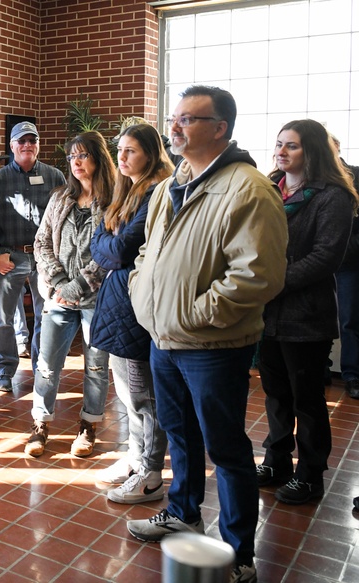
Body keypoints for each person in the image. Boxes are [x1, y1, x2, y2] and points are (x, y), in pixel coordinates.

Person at [126, 85, 288, 583]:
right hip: (163, 339)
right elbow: (146, 254)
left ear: (220, 128)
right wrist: (141, 292)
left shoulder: (248, 188)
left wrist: (195, 313)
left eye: (188, 120)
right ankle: (183, 510)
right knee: (179, 435)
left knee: (227, 448)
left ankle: (239, 554)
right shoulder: (169, 186)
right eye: (174, 118)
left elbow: (257, 275)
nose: (175, 127)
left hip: (212, 345)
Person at [256, 120, 358, 504]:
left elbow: (324, 258)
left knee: (308, 401)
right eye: (279, 144)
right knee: (276, 394)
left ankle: (310, 473)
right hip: (267, 314)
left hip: (305, 316)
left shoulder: (333, 197)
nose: (281, 151)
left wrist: (269, 280)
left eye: (292, 146)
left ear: (312, 151)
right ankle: (276, 460)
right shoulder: (270, 189)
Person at [90, 123, 174, 502]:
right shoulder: (128, 190)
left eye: (130, 151)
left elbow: (120, 249)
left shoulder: (158, 191)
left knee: (144, 396)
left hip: (138, 305)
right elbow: (100, 243)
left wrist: (107, 244)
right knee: (128, 395)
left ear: (151, 153)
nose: (121, 158)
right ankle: (135, 456)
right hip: (120, 303)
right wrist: (107, 244)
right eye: (119, 150)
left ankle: (150, 472)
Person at [24, 132, 112, 458]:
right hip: (58, 296)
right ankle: (40, 424)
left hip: (95, 298)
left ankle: (88, 425)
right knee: (47, 364)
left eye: (83, 156)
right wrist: (60, 282)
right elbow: (41, 242)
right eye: (72, 156)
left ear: (99, 159)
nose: (76, 162)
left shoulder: (114, 200)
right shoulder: (60, 197)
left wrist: (79, 285)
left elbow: (111, 253)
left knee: (97, 367)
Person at [0, 121, 67, 392]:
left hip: (46, 260)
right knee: (4, 318)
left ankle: (42, 370)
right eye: (22, 141)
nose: (27, 145)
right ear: (12, 146)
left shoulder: (55, 176)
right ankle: (5, 372)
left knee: (46, 315)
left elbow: (66, 220)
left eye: (32, 140)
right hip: (11, 257)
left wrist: (60, 258)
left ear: (38, 144)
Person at [330, 135, 359, 399]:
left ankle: (351, 375)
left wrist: (348, 248)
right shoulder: (302, 178)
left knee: (349, 320)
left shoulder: (355, 176)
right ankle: (320, 368)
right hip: (311, 261)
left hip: (347, 262)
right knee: (313, 315)